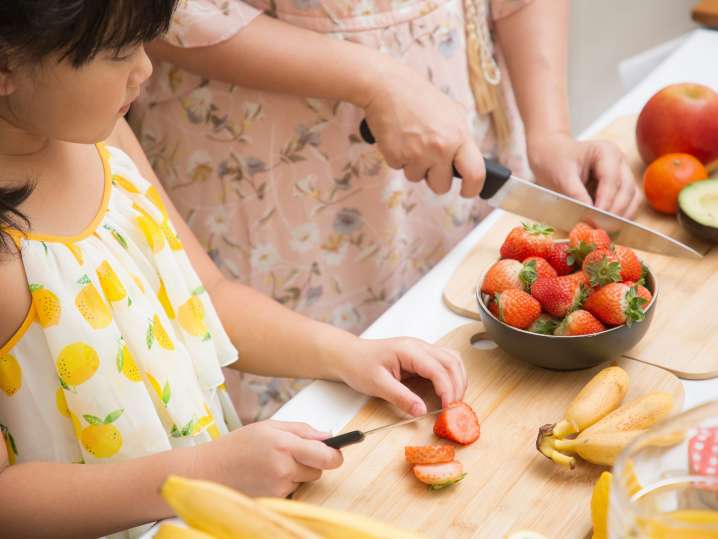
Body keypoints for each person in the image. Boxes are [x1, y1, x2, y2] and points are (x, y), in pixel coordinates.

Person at [0, 2, 467, 538]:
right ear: (5, 66)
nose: (147, 69)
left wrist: (348, 354)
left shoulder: (104, 138)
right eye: (118, 53)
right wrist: (203, 471)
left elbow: (209, 297)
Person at [131, 0, 642, 422]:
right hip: (281, 192)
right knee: (313, 420)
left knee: (468, 364)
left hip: (455, 152)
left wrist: (548, 133)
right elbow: (170, 13)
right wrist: (376, 80)